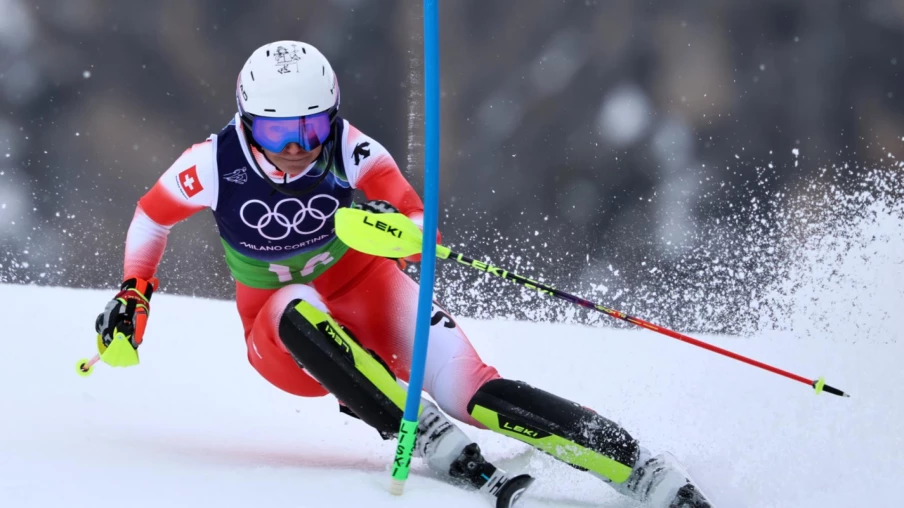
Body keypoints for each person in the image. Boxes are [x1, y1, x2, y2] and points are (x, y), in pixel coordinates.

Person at [93, 40, 712, 508]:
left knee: (475, 391)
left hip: (371, 292)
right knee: (292, 301)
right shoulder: (210, 164)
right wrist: (134, 293)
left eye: (311, 127)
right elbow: (151, 219)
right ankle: (420, 431)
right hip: (284, 340)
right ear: (247, 120)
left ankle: (641, 469)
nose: (296, 148)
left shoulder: (353, 151)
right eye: (279, 131)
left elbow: (422, 228)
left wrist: (396, 224)